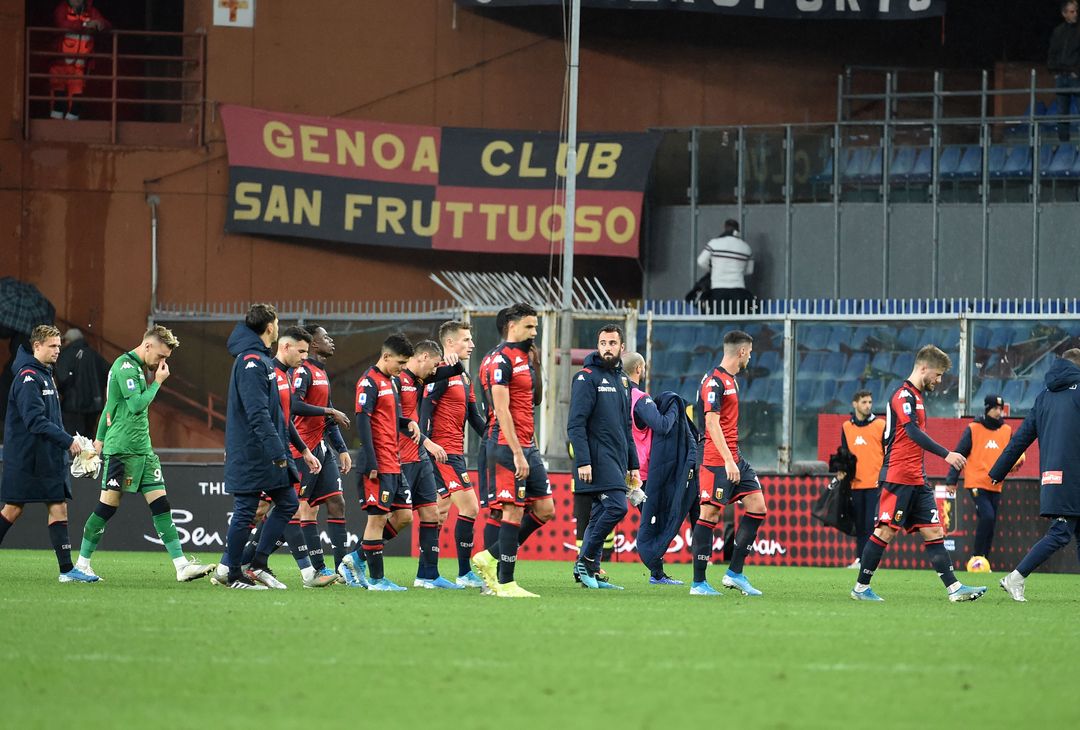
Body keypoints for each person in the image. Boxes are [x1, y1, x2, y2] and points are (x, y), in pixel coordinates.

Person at [74, 325, 214, 583]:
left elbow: (110, 406)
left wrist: (98, 440)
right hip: (122, 451)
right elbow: (136, 405)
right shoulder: (125, 367)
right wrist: (158, 382)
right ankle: (81, 565)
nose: (162, 363)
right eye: (160, 356)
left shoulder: (137, 368)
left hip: (143, 451)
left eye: (166, 359)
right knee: (107, 508)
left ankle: (181, 565)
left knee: (161, 505)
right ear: (148, 345)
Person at [850, 345, 986, 602]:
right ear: (924, 368)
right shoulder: (903, 395)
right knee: (885, 532)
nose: (939, 380)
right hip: (898, 476)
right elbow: (911, 432)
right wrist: (947, 454)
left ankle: (954, 589)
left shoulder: (917, 397)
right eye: (938, 374)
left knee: (934, 532)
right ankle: (860, 588)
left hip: (917, 478)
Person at [221, 304, 319, 590]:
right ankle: (232, 573)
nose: (278, 327)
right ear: (269, 327)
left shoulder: (261, 359)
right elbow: (257, 414)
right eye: (276, 323)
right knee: (246, 510)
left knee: (288, 503)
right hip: (254, 451)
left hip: (269, 451)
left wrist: (292, 450)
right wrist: (277, 451)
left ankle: (256, 563)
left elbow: (276, 415)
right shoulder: (251, 361)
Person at [0, 325, 96, 583]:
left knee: (58, 506)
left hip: (48, 457)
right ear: (37, 346)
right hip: (26, 458)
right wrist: (67, 441)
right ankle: (67, 570)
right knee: (12, 509)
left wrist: (72, 440)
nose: (57, 350)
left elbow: (52, 419)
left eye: (58, 346)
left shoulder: (45, 374)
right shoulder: (28, 377)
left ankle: (67, 570)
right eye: (52, 346)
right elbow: (34, 421)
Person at [470, 303, 553, 598]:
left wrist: (537, 364)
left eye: (536, 327)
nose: (534, 332)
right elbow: (501, 409)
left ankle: (490, 556)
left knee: (545, 509)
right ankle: (505, 582)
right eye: (529, 326)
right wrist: (517, 453)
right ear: (512, 326)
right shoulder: (499, 360)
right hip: (505, 445)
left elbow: (533, 402)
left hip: (527, 445)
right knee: (511, 510)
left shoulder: (524, 358)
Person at [991, 350, 1080, 602]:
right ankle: (1015, 577)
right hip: (1073, 477)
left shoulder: (1044, 396)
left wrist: (998, 471)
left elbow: (1021, 438)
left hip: (1054, 476)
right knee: (1060, 532)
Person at [340, 334, 421, 592]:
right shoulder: (368, 382)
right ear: (386, 356)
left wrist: (407, 422)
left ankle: (356, 558)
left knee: (404, 516)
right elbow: (363, 421)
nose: (403, 368)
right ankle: (377, 580)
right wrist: (372, 461)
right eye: (400, 362)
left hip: (394, 461)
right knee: (377, 520)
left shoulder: (392, 382)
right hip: (377, 463)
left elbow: (389, 418)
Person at [692, 330, 767, 597]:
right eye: (750, 352)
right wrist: (727, 461)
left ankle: (734, 573)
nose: (750, 357)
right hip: (715, 460)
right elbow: (711, 423)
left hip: (734, 456)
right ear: (742, 352)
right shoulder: (714, 381)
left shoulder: (731, 380)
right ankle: (698, 583)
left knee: (757, 506)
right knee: (709, 515)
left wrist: (733, 459)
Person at [567, 325, 640, 590]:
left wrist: (633, 464)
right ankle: (585, 561)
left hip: (617, 460)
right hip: (596, 460)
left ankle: (591, 571)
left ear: (622, 347)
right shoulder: (585, 377)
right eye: (603, 343)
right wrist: (583, 461)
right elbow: (576, 424)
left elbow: (626, 427)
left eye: (612, 343)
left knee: (599, 513)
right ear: (597, 346)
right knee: (617, 507)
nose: (607, 348)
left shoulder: (623, 381)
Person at [420, 320, 488, 588]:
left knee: (437, 513)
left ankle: (425, 575)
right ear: (450, 343)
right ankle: (463, 573)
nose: (472, 344)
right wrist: (426, 444)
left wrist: (496, 440)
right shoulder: (440, 372)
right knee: (470, 507)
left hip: (453, 452)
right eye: (466, 339)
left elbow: (474, 417)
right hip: (442, 453)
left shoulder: (463, 376)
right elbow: (425, 408)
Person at [394, 340, 464, 590]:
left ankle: (428, 575)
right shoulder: (397, 380)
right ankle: (356, 558)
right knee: (394, 518)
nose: (435, 371)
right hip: (400, 457)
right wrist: (428, 441)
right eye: (434, 365)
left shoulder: (419, 380)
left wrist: (454, 361)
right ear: (423, 357)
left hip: (419, 456)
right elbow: (394, 420)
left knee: (432, 514)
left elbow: (452, 370)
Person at [289, 325, 352, 584]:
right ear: (314, 344)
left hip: (321, 448)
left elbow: (328, 416)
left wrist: (342, 449)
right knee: (298, 510)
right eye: (326, 337)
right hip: (300, 449)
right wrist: (329, 411)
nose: (331, 340)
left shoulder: (322, 373)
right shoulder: (303, 370)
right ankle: (315, 569)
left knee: (337, 502)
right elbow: (294, 405)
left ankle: (342, 569)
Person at [944, 393, 1025, 574]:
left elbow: (1013, 454)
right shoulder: (973, 428)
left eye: (1000, 409)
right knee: (987, 516)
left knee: (990, 522)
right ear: (987, 409)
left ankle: (984, 561)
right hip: (976, 482)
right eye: (995, 408)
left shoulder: (1006, 430)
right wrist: (951, 480)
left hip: (996, 484)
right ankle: (976, 557)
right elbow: (959, 454)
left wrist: (1016, 464)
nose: (999, 412)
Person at [623, 351, 682, 584]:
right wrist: (676, 406)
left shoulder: (617, 397)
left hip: (625, 469)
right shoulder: (639, 397)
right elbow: (662, 425)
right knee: (655, 521)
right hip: (644, 473)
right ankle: (656, 573)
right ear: (639, 368)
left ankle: (657, 573)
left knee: (649, 520)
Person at [837, 389, 885, 570]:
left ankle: (870, 561)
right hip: (855, 483)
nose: (868, 406)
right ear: (855, 404)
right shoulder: (846, 427)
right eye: (864, 402)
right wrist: (841, 470)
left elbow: (887, 453)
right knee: (859, 524)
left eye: (870, 402)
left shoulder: (880, 425)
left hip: (875, 484)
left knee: (871, 525)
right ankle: (860, 559)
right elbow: (844, 453)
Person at [49, 0, 110, 120]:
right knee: (58, 91)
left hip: (80, 63)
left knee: (77, 93)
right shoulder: (62, 9)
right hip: (60, 61)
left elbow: (106, 25)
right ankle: (56, 121)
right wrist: (85, 25)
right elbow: (62, 24)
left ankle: (72, 121)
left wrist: (99, 24)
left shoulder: (91, 11)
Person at [54, 328, 108, 439]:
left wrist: (62, 392)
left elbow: (63, 378)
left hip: (72, 405)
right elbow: (108, 373)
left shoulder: (66, 354)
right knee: (88, 438)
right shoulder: (94, 354)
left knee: (72, 439)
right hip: (93, 406)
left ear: (69, 340)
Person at [695, 219, 754, 313]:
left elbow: (701, 261)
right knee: (736, 319)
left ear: (725, 227)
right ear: (738, 230)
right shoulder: (746, 247)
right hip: (738, 289)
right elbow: (749, 270)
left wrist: (713, 269)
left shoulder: (714, 243)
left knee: (718, 319)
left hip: (718, 288)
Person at [1048, 0, 1080, 143]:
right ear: (1064, 13)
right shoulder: (1058, 31)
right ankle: (1064, 144)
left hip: (1076, 77)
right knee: (1062, 113)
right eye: (1072, 11)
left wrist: (1077, 72)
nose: (1076, 14)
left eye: (1076, 11)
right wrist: (1054, 71)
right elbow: (1052, 52)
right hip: (1061, 76)